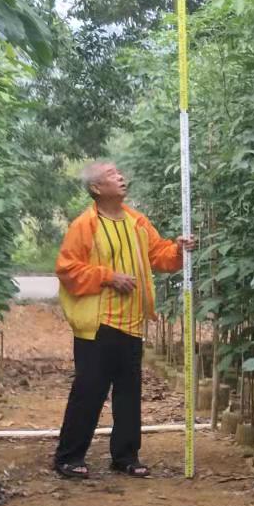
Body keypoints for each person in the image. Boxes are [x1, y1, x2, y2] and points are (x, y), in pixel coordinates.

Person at [53, 161, 195, 479]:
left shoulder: (136, 221)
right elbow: (67, 268)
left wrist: (178, 249)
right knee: (89, 391)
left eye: (119, 173)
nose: (121, 178)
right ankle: (68, 457)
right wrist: (107, 276)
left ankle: (126, 456)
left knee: (129, 393)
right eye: (111, 175)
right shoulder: (85, 225)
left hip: (132, 322)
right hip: (98, 324)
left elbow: (158, 255)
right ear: (96, 189)